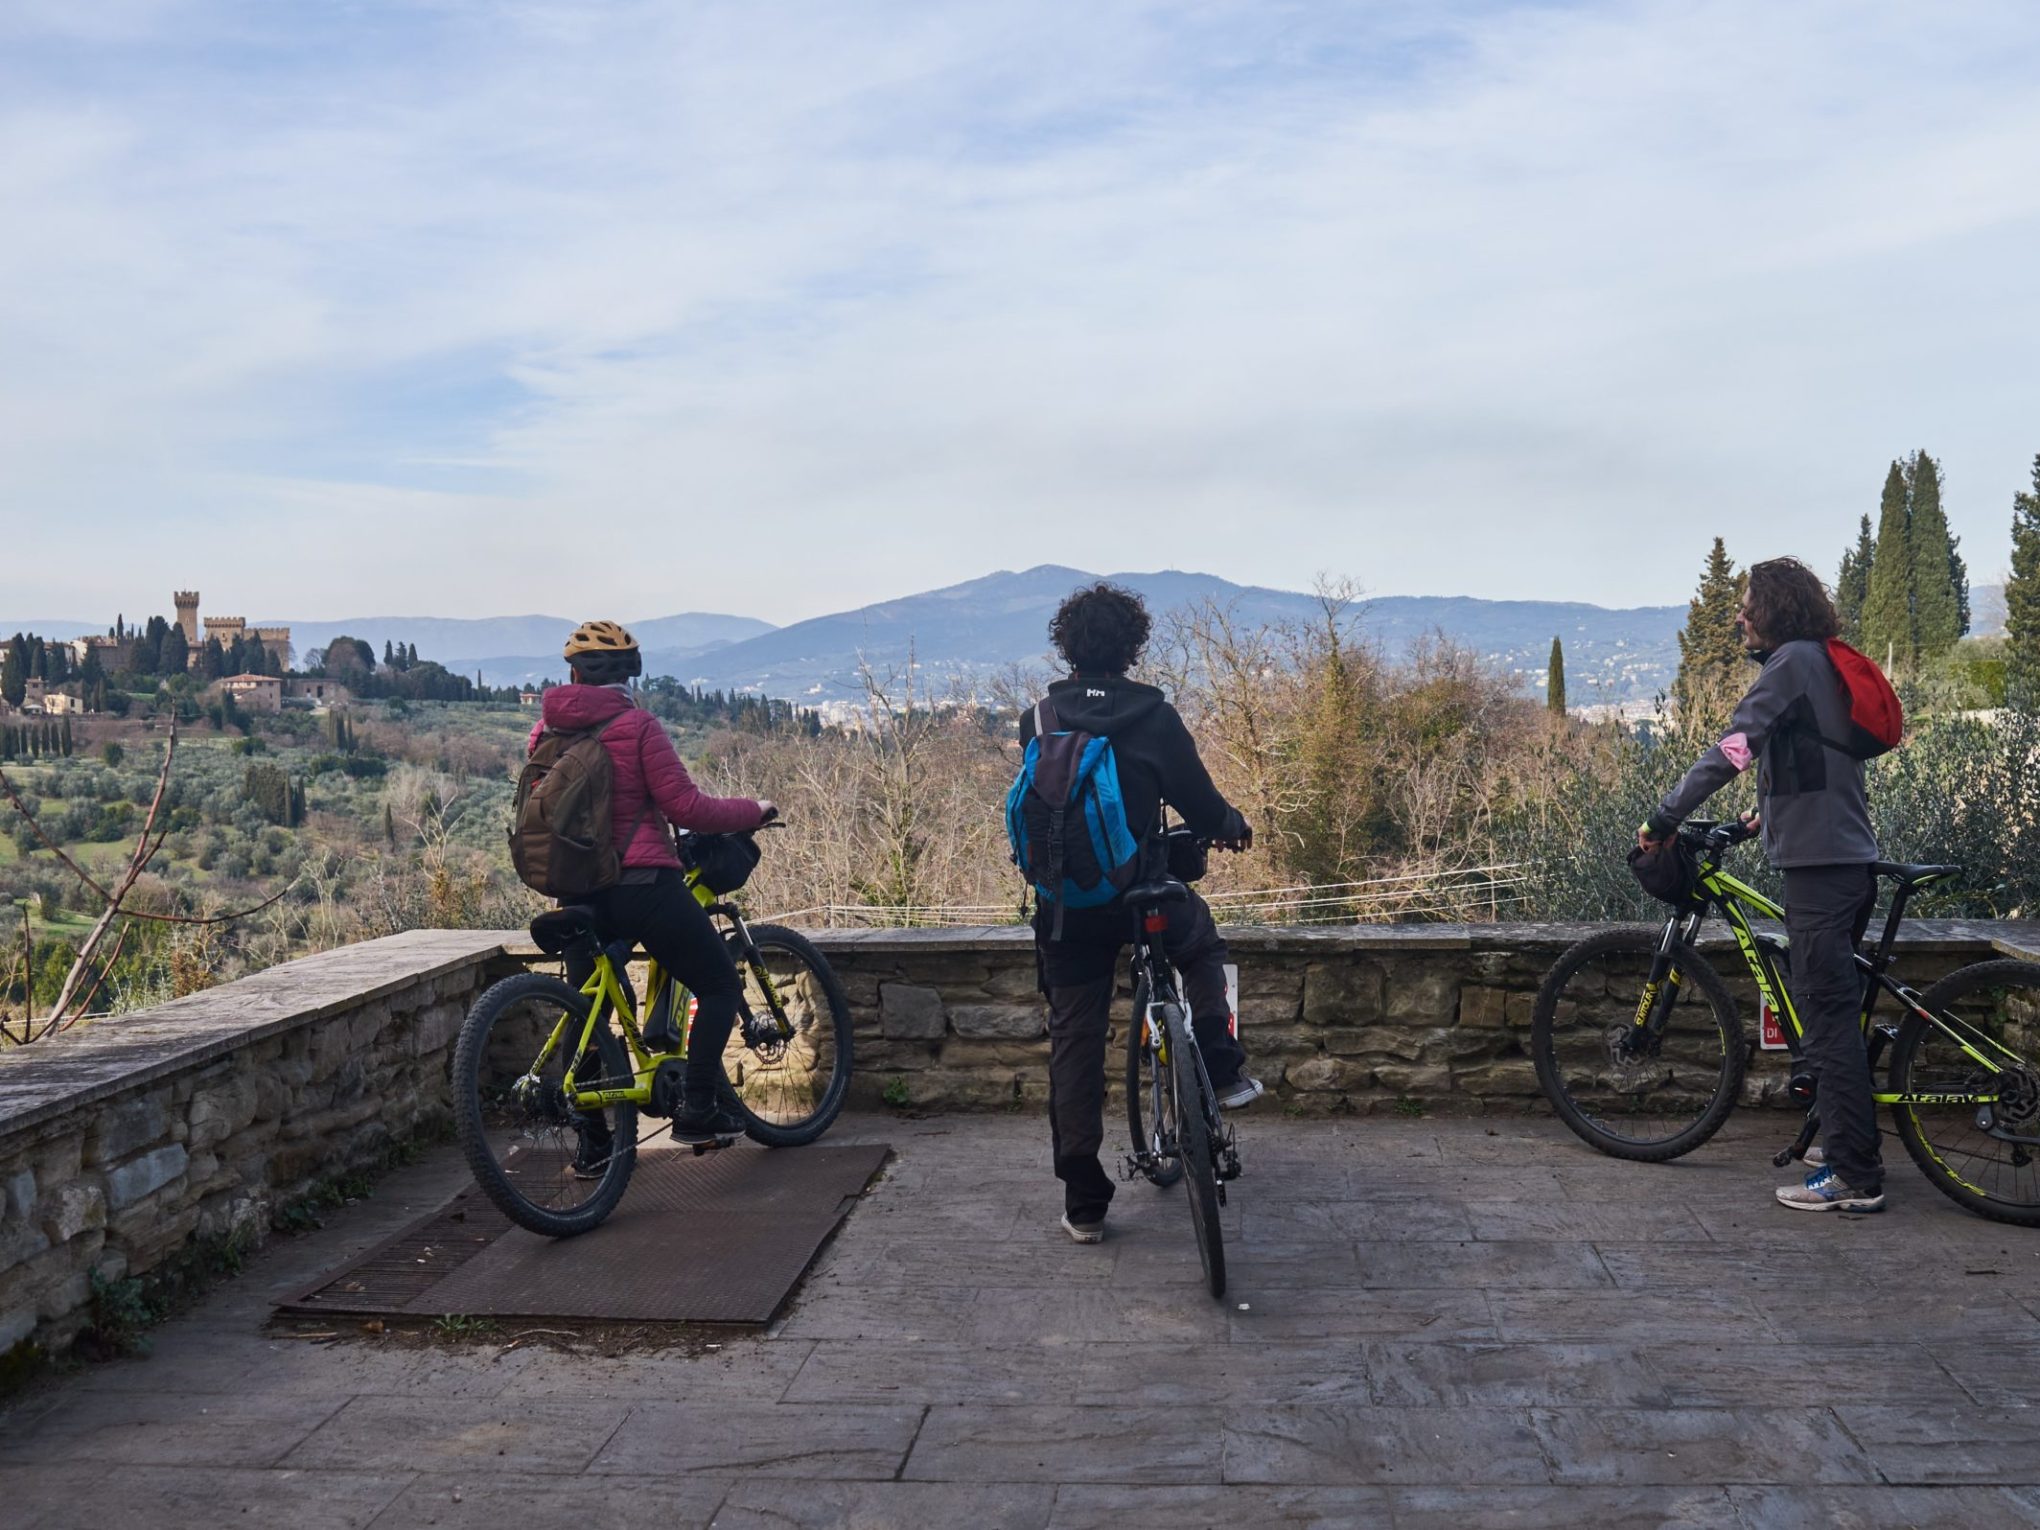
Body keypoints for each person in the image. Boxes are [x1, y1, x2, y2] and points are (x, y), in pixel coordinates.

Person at [1640, 558, 1884, 1213]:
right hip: (1840, 861)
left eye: (1748, 604)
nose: (1739, 615)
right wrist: (1756, 819)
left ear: (1775, 609)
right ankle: (1842, 1140)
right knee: (1833, 1014)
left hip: (1821, 872)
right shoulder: (1818, 661)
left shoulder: (1793, 664)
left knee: (1825, 1020)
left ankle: (1855, 1177)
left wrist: (1665, 816)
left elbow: (1734, 750)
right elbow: (1808, 761)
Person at [1020, 583, 1260, 1244]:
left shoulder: (1039, 720)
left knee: (1074, 1039)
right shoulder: (1155, 718)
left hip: (1067, 910)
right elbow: (1204, 807)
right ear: (1133, 646)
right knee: (1202, 944)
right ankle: (1218, 1060)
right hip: (1146, 896)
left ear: (1066, 645)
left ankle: (1085, 1201)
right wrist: (1231, 828)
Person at [531, 620, 775, 1154]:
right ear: (630, 677)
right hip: (642, 886)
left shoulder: (544, 734)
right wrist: (753, 810)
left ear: (571, 673)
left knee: (586, 1011)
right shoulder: (638, 726)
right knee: (718, 986)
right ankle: (698, 1110)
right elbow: (687, 808)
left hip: (576, 892)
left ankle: (595, 1148)